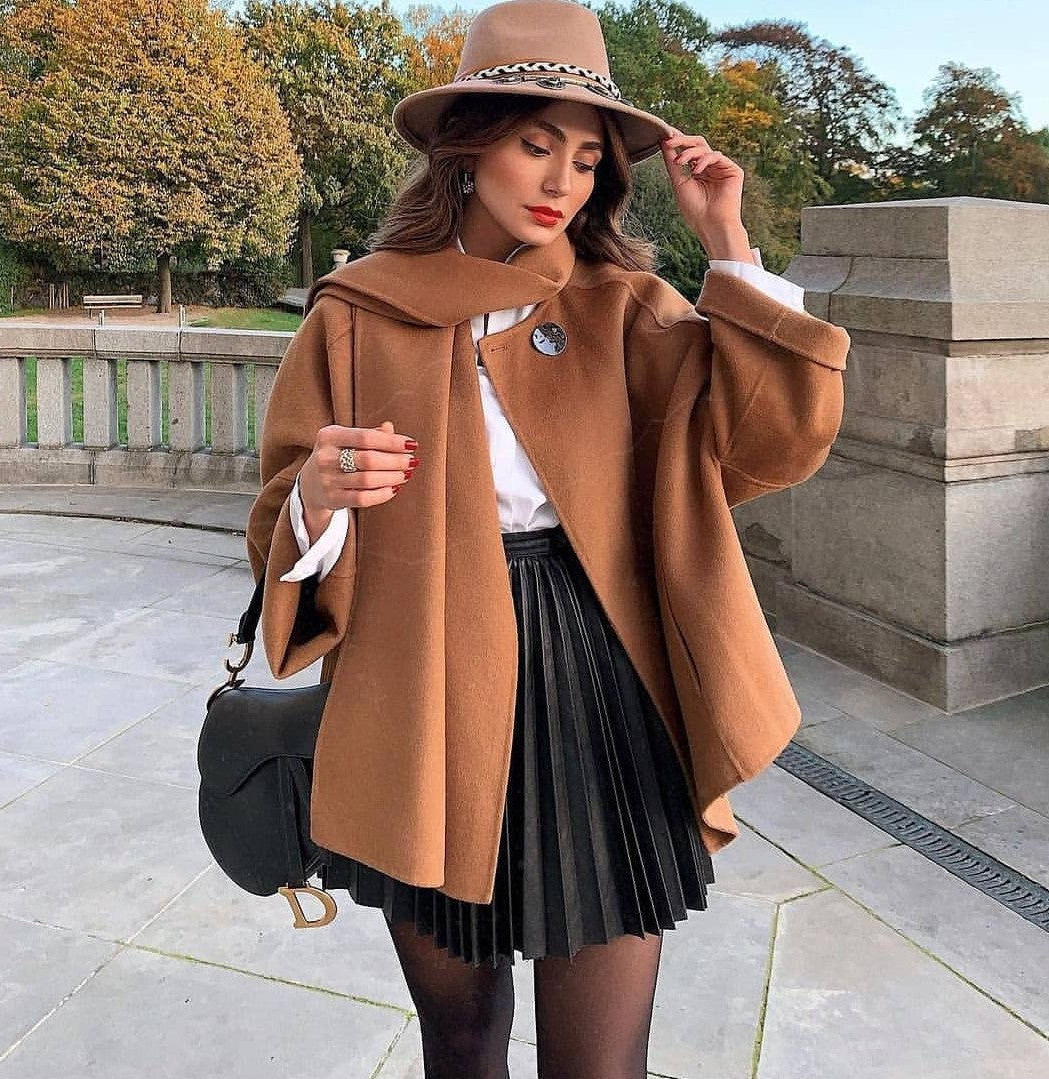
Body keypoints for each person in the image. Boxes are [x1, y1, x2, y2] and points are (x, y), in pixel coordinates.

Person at [244, 1, 850, 1075]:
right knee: (460, 1036)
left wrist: (727, 241)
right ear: (467, 144)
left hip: (592, 675)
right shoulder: (355, 312)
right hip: (419, 682)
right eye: (535, 144)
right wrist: (320, 495)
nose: (561, 179)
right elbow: (281, 513)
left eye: (585, 157)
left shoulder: (627, 305)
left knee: (599, 1059)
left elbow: (768, 440)